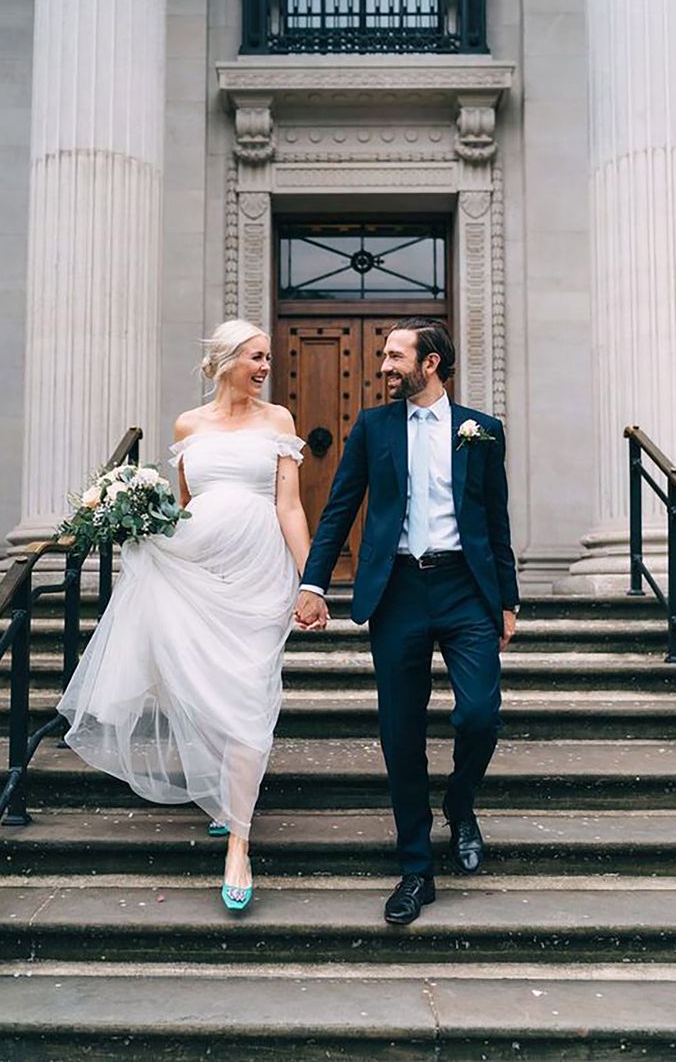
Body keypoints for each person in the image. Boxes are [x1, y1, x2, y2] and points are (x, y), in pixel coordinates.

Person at [58, 320, 311, 912]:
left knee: (250, 693)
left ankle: (239, 844)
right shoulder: (187, 427)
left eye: (268, 357)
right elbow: (187, 507)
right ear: (225, 361)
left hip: (259, 572)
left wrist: (312, 579)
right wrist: (134, 518)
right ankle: (230, 800)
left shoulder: (279, 422)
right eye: (256, 356)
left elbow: (289, 503)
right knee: (206, 688)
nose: (265, 366)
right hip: (198, 568)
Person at [295, 317, 519, 925]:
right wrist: (313, 581)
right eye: (383, 357)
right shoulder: (373, 427)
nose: (384, 366)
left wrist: (508, 599)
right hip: (396, 589)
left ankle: (461, 804)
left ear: (431, 363)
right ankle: (416, 869)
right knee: (401, 732)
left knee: (479, 714)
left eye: (395, 356)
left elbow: (495, 520)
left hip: (466, 588)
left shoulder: (482, 431)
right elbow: (341, 505)